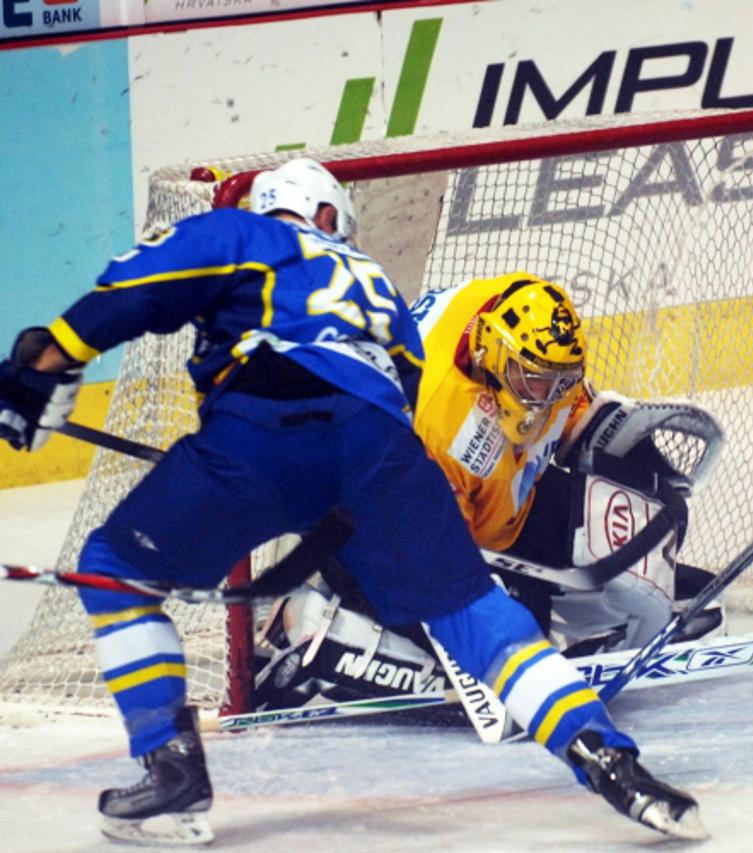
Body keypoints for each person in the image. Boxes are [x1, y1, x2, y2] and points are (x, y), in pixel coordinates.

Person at [0, 158, 704, 843]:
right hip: (381, 452)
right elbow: (400, 388)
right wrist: (340, 508)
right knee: (476, 614)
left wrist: (47, 357)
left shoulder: (249, 234)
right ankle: (613, 761)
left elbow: (142, 287)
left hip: (263, 418)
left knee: (113, 567)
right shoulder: (375, 285)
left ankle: (170, 764)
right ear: (332, 217)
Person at [255, 272, 724, 711]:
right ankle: (318, 628)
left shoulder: (519, 327)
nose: (547, 394)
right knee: (506, 671)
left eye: (558, 381)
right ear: (496, 358)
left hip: (487, 507)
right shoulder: (437, 426)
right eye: (536, 381)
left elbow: (567, 411)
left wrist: (624, 449)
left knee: (635, 528)